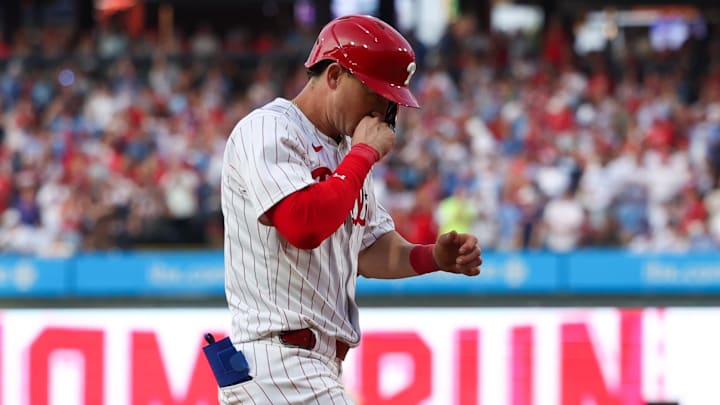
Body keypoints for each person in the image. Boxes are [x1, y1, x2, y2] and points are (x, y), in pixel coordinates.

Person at [219, 14, 483, 404]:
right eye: (376, 94)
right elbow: (302, 225)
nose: (385, 111)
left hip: (310, 366)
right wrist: (362, 155)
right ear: (335, 75)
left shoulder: (346, 153)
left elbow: (369, 249)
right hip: (279, 360)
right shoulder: (269, 129)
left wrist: (432, 257)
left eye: (392, 100)